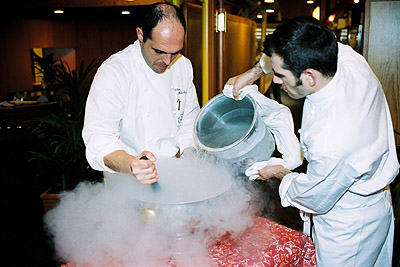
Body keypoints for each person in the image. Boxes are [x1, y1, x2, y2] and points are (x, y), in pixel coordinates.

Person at [226, 16, 399, 266]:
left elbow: (314, 196)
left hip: (349, 227)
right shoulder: (342, 58)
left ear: (308, 76)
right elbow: (287, 52)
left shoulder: (335, 138)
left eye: (280, 75)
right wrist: (252, 73)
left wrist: (280, 173)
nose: (275, 81)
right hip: (367, 197)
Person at [82, 3, 200, 185]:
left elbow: (188, 121)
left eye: (175, 52)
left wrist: (191, 154)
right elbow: (99, 137)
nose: (167, 61)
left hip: (170, 174)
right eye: (159, 51)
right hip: (126, 178)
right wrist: (132, 165)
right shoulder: (114, 71)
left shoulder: (183, 66)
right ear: (140, 35)